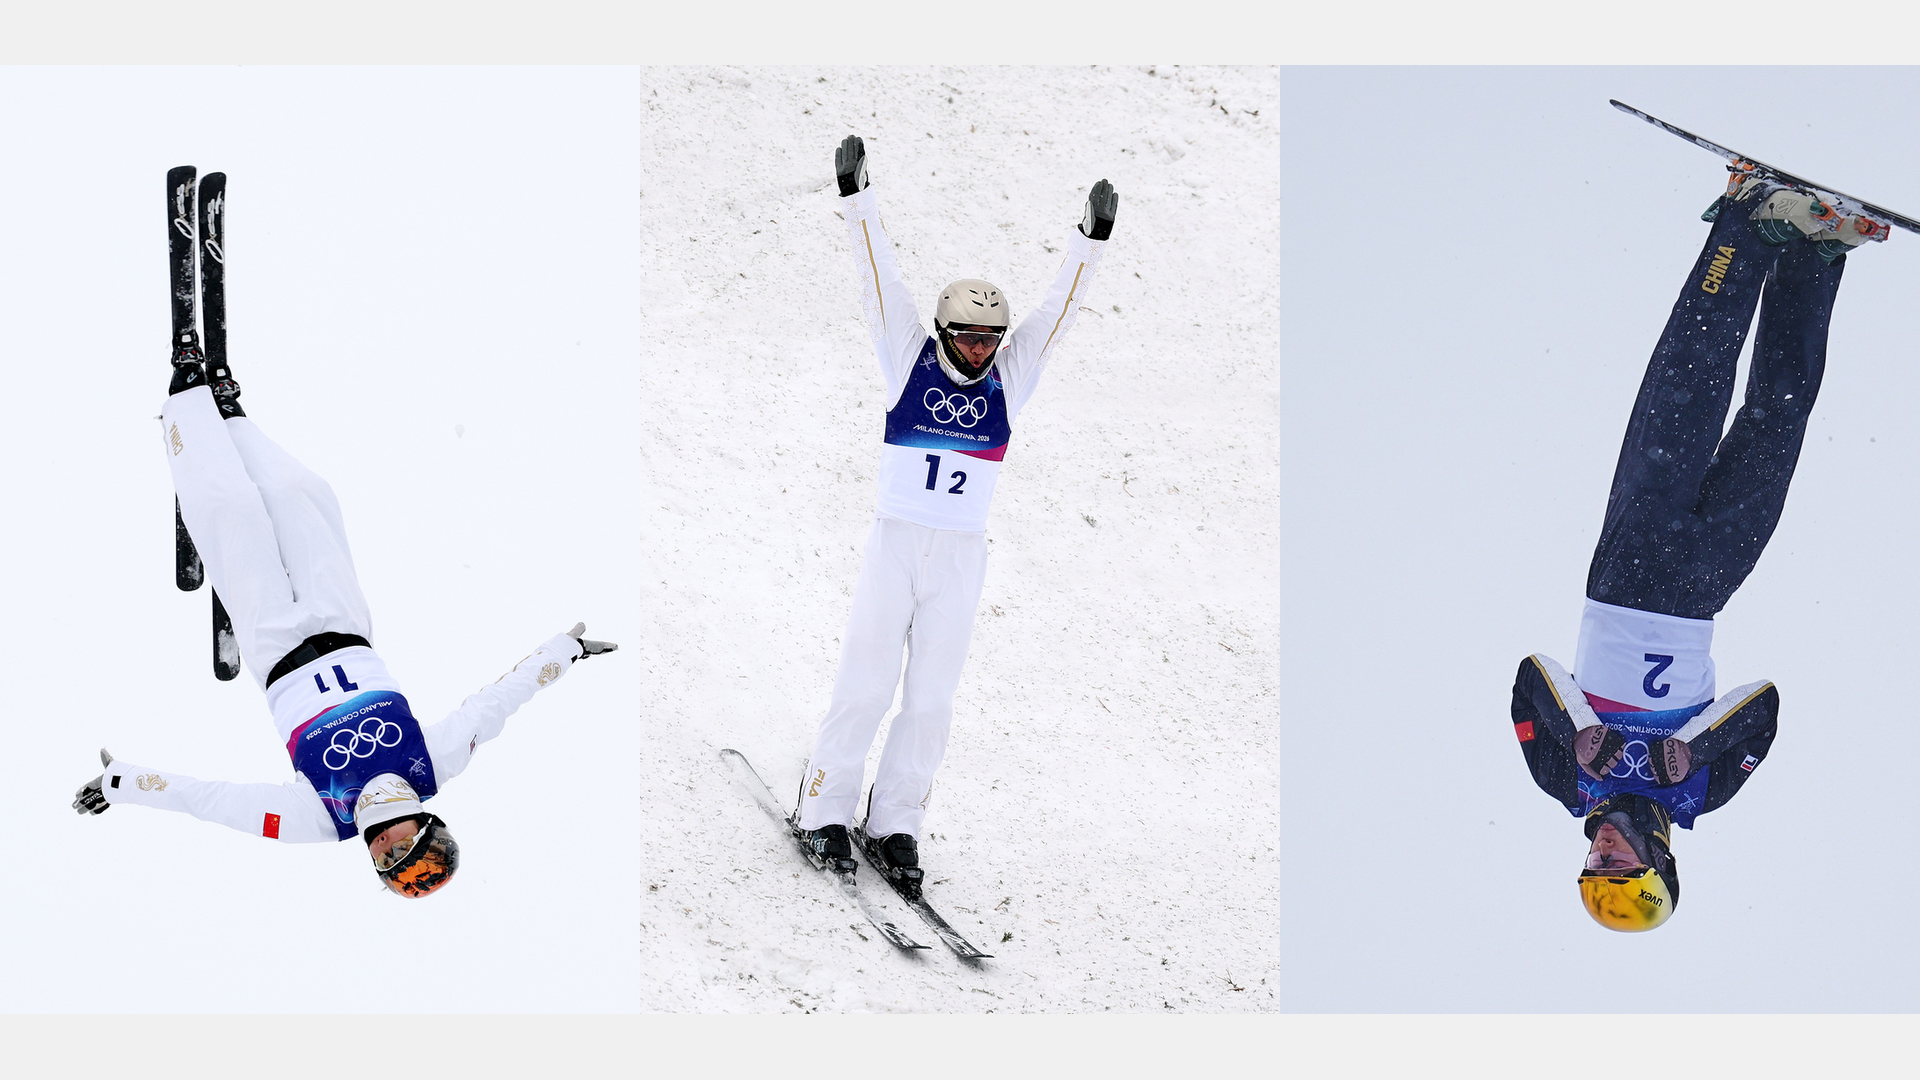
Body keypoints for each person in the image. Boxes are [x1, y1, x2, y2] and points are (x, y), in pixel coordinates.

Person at [72, 349, 615, 898]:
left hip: (273, 642)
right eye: (404, 849)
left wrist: (125, 784)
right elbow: (495, 705)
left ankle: (186, 400)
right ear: (427, 826)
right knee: (300, 494)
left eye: (385, 864)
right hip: (343, 623)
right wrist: (563, 653)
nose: (383, 850)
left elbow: (216, 801)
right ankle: (231, 415)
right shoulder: (433, 764)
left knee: (231, 509)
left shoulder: (318, 819)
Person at [1511, 168, 1889, 931]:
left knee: (1690, 382)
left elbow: (1530, 680)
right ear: (1658, 860)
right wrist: (1690, 745)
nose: (1602, 853)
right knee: (1776, 422)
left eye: (1594, 866)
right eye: (1619, 866)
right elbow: (1763, 706)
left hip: (1627, 573)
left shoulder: (1564, 781)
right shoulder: (1702, 792)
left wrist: (1582, 732)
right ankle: (1815, 259)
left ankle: (1747, 221)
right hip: (1705, 587)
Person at [791, 136, 1116, 894]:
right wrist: (856, 195)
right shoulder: (907, 356)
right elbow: (880, 278)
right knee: (867, 683)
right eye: (969, 338)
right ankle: (823, 808)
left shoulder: (1012, 377)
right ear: (943, 331)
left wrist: (1089, 241)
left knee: (931, 696)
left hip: (961, 554)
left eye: (990, 340)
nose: (980, 351)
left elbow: (1056, 314)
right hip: (896, 542)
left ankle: (895, 821)